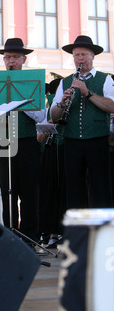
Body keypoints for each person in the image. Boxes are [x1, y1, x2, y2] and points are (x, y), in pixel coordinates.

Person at [50, 35, 114, 209]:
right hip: (72, 141)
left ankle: (103, 232)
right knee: (74, 190)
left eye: (84, 54)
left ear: (93, 56)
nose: (80, 59)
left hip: (97, 140)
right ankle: (79, 233)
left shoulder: (105, 79)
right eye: (76, 55)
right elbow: (54, 116)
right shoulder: (65, 82)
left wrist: (88, 93)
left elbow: (112, 106)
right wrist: (62, 103)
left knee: (101, 189)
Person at [0, 38, 46, 242]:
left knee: (29, 193)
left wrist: (20, 101)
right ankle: (10, 237)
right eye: (7, 57)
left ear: (24, 59)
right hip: (3, 143)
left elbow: (41, 117)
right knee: (7, 192)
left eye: (15, 57)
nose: (10, 61)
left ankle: (30, 238)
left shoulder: (34, 83)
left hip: (27, 143)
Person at [37, 78, 65, 248]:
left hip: (67, 151)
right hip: (49, 152)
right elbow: (39, 137)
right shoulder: (47, 112)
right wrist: (49, 125)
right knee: (49, 193)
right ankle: (50, 233)